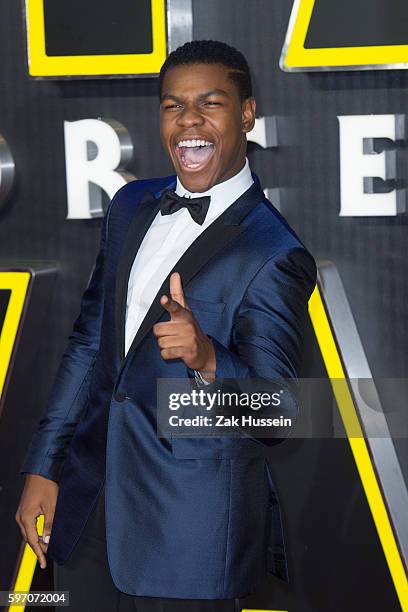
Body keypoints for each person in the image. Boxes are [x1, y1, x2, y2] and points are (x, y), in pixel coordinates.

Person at [15, 40, 316, 611]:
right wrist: (44, 466)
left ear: (247, 115)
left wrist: (207, 360)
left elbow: (279, 414)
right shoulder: (131, 205)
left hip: (189, 541)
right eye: (173, 106)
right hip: (88, 514)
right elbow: (87, 347)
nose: (190, 122)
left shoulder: (275, 253)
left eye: (211, 103)